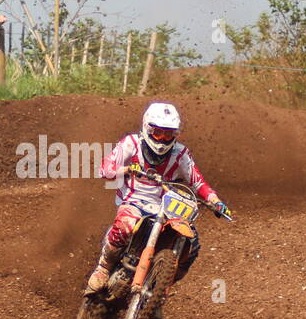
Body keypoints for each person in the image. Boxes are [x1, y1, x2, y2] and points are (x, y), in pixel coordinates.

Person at [84, 102, 231, 301]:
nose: (162, 139)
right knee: (125, 225)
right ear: (147, 128)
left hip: (165, 208)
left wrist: (215, 201)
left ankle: (158, 291)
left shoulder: (180, 154)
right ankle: (103, 268)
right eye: (158, 133)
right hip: (133, 201)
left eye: (168, 135)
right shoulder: (131, 143)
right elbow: (105, 169)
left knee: (192, 244)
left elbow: (198, 182)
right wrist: (127, 169)